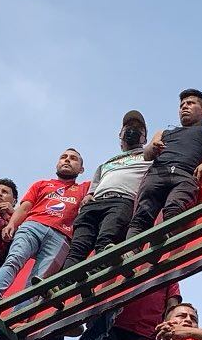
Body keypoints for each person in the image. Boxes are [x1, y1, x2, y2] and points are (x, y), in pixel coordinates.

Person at [0, 149, 89, 294]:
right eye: (63, 157)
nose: (67, 160)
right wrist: (12, 224)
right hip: (32, 226)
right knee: (14, 259)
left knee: (39, 281)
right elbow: (24, 208)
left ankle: (22, 314)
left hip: (61, 237)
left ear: (81, 169)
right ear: (57, 164)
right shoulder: (41, 184)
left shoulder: (84, 188)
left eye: (73, 158)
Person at [129, 90, 202, 234]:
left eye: (190, 103)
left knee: (175, 210)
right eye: (182, 105)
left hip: (186, 175)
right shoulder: (163, 133)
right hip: (157, 173)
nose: (184, 107)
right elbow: (146, 155)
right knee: (141, 217)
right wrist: (153, 147)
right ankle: (130, 253)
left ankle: (168, 245)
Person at [63, 112, 150, 265]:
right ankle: (62, 283)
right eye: (127, 128)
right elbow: (95, 184)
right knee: (78, 247)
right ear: (120, 136)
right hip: (95, 203)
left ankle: (99, 271)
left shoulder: (149, 155)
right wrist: (89, 195)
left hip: (122, 200)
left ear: (144, 138)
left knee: (107, 239)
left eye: (137, 129)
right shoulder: (107, 162)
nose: (131, 131)